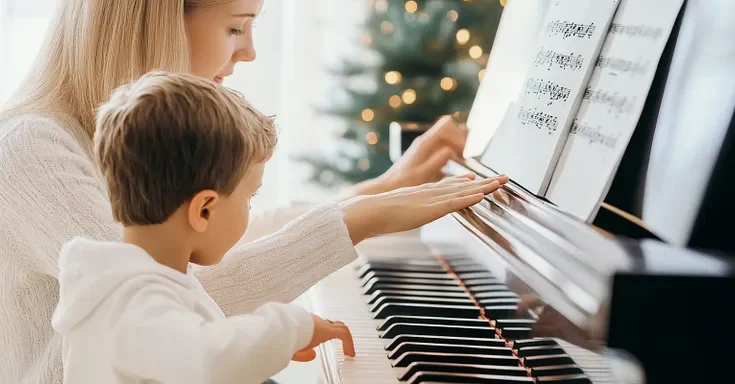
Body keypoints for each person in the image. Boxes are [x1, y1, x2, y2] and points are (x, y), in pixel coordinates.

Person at [0, 0, 508, 382]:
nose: (249, 50)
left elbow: (204, 244)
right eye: (236, 27)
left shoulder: (115, 139)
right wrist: (358, 221)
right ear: (155, 23)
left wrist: (382, 190)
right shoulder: (33, 149)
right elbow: (177, 296)